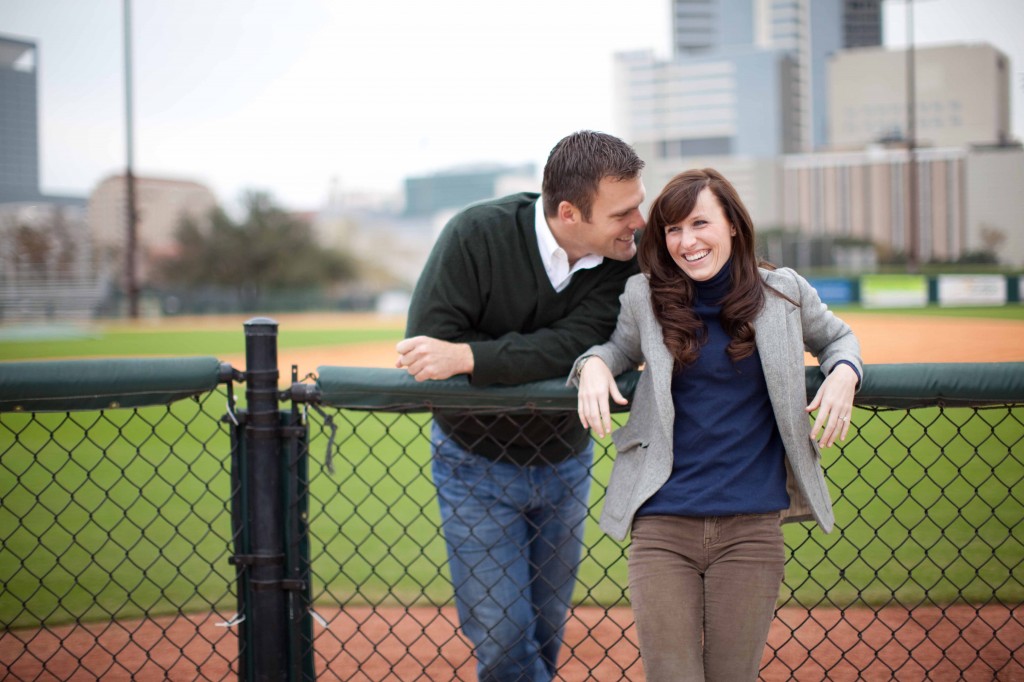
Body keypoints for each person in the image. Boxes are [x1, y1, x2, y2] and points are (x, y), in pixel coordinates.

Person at [570, 168, 862, 681]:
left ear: (732, 225)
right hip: (662, 524)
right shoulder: (645, 295)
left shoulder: (784, 291)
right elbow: (617, 348)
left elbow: (838, 339)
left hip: (751, 529)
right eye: (673, 229)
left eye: (700, 223)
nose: (687, 241)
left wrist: (844, 372)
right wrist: (592, 363)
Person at [395, 130, 646, 681]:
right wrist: (464, 355)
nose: (638, 222)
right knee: (506, 637)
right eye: (623, 211)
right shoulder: (475, 234)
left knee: (545, 628)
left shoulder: (624, 260)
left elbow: (572, 345)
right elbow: (425, 344)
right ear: (568, 212)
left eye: (639, 204)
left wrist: (468, 357)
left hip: (565, 462)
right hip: (473, 465)